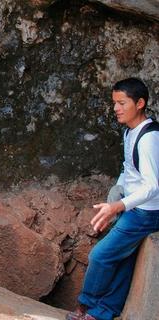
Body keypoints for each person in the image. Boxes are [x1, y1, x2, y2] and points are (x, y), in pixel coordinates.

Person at [66, 78, 159, 320]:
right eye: (114, 103)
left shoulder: (149, 138)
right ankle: (103, 313)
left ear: (140, 103)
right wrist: (117, 192)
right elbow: (129, 169)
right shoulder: (131, 131)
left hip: (146, 212)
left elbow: (152, 186)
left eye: (122, 103)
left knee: (101, 255)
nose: (116, 108)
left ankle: (86, 305)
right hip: (133, 206)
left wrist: (117, 206)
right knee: (123, 259)